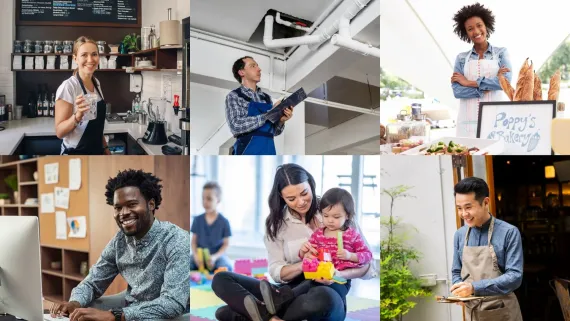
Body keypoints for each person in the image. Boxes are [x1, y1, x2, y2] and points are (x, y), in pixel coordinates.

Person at [211, 164, 376, 321]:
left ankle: (250, 315)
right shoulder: (276, 225)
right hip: (287, 291)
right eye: (291, 198)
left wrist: (338, 274)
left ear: (311, 185)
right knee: (221, 279)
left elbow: (369, 266)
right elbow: (276, 271)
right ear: (281, 197)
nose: (300, 202)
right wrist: (303, 264)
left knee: (322, 298)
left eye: (304, 193)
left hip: (327, 293)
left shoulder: (335, 210)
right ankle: (270, 316)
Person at [49, 169, 191, 321]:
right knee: (81, 312)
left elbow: (172, 304)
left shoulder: (177, 240)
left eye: (132, 204)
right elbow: (93, 282)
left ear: (151, 204)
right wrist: (74, 303)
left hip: (170, 316)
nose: (123, 213)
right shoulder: (120, 241)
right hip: (129, 311)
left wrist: (116, 315)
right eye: (118, 207)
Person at [244, 187, 373, 321]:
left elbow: (367, 255)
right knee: (307, 285)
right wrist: (303, 251)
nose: (330, 220)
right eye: (325, 216)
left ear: (348, 215)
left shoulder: (351, 235)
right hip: (318, 275)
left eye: (336, 217)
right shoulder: (319, 234)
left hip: (338, 280)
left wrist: (350, 256)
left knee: (315, 292)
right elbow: (305, 255)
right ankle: (279, 300)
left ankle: (278, 301)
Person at [450, 177, 523, 321]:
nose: (464, 214)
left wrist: (473, 288)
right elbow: (456, 271)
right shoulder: (459, 235)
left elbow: (515, 276)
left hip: (503, 311)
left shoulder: (509, 232)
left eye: (468, 207)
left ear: (485, 202)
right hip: (473, 312)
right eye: (459, 208)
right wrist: (459, 290)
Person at [451, 3, 512, 138]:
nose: (476, 31)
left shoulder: (501, 53)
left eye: (479, 25)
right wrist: (492, 84)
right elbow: (457, 91)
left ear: (486, 25)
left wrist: (468, 83)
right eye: (470, 28)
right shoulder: (461, 58)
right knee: (469, 157)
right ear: (466, 33)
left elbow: (505, 82)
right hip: (467, 125)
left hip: (495, 121)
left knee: (493, 157)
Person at [226, 56, 293, 155]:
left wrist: (281, 121)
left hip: (269, 150)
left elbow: (274, 132)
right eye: (253, 66)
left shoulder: (266, 98)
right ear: (241, 72)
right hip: (247, 151)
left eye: (257, 66)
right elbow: (236, 126)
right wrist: (268, 115)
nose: (259, 69)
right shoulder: (235, 96)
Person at [55, 36, 110, 155]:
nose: (90, 60)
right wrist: (77, 116)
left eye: (94, 54)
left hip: (97, 151)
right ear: (75, 58)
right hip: (75, 153)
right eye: (84, 55)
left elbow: (97, 127)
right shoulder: (69, 86)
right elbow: (59, 132)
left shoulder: (96, 83)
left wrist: (105, 149)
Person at [191, 181, 233, 272]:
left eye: (209, 199)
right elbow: (193, 242)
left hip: (216, 257)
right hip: (199, 257)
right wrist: (195, 255)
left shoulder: (224, 222)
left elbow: (226, 244)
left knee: (227, 267)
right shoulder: (197, 220)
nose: (205, 202)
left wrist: (215, 257)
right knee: (182, 264)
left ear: (218, 200)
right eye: (203, 199)